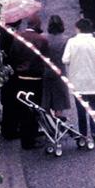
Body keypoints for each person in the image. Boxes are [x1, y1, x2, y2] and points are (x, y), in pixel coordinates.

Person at [62, 18, 95, 144]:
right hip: (93, 79)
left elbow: (65, 59)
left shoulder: (72, 42)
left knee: (81, 109)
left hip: (77, 80)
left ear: (79, 29)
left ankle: (83, 134)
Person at [12, 14, 49, 149]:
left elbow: (13, 55)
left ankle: (25, 139)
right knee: (34, 108)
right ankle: (31, 138)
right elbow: (46, 59)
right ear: (37, 25)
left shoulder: (18, 37)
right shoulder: (42, 40)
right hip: (35, 79)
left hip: (21, 78)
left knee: (23, 108)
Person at [41, 15, 70, 118]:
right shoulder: (65, 40)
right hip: (60, 71)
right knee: (59, 101)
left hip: (45, 70)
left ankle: (48, 122)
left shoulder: (43, 38)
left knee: (46, 99)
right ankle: (58, 120)